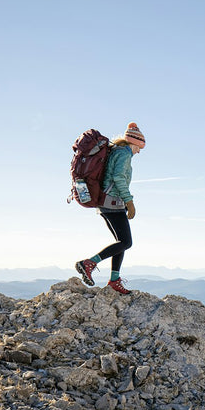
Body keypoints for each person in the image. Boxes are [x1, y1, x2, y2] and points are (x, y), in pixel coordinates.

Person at [75, 122, 146, 294]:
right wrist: (129, 202)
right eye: (140, 147)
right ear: (134, 143)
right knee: (126, 242)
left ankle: (114, 280)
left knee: (120, 243)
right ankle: (89, 263)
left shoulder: (116, 151)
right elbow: (118, 178)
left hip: (105, 202)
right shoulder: (124, 154)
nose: (140, 151)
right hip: (112, 201)